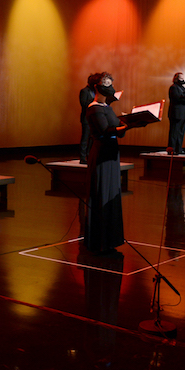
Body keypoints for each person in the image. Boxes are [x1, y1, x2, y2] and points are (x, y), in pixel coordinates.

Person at [84, 72, 128, 253]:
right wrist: (123, 126)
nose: (110, 87)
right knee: (102, 194)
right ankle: (99, 240)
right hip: (101, 154)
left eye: (111, 83)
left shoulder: (107, 107)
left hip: (112, 153)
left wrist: (128, 124)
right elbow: (104, 131)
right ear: (97, 87)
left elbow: (118, 130)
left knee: (112, 194)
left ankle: (111, 238)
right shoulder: (93, 108)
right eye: (106, 84)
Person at [78, 75, 96, 164]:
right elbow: (83, 103)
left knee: (92, 138)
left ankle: (89, 155)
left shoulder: (95, 91)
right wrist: (94, 99)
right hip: (86, 118)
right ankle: (82, 157)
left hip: (93, 118)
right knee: (85, 138)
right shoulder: (84, 91)